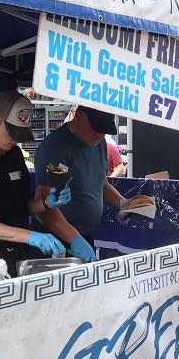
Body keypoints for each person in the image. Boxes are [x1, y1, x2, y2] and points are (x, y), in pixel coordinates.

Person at [0, 91, 81, 277]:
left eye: (20, 133)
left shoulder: (14, 155)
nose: (16, 139)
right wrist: (30, 236)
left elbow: (19, 206)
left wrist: (47, 203)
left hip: (18, 253)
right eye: (11, 132)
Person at [33, 106, 128, 259]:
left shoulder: (99, 143)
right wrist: (74, 239)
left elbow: (101, 185)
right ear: (78, 117)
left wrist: (126, 206)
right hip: (55, 241)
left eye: (104, 130)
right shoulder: (56, 148)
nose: (99, 135)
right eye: (96, 128)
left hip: (83, 237)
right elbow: (44, 205)